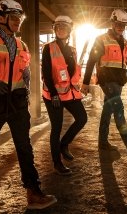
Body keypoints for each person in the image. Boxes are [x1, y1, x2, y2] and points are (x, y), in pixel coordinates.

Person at [0, 0, 57, 210]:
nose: (18, 22)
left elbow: (25, 71)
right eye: (14, 18)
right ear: (1, 18)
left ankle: (33, 191)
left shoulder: (21, 44)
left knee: (24, 146)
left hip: (17, 102)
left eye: (20, 18)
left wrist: (26, 90)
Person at [81, 9, 127, 156]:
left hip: (118, 82)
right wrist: (85, 82)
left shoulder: (124, 43)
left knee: (107, 112)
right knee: (119, 111)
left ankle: (102, 143)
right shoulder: (102, 39)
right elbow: (91, 60)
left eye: (123, 25)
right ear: (112, 23)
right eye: (118, 24)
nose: (120, 27)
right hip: (107, 81)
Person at [41, 15, 87, 175]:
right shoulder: (48, 48)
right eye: (58, 27)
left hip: (68, 92)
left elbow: (71, 72)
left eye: (64, 27)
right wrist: (53, 94)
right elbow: (46, 73)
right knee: (57, 127)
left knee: (82, 118)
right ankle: (57, 162)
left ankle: (64, 144)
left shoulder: (73, 50)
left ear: (69, 30)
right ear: (54, 30)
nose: (60, 30)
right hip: (52, 94)